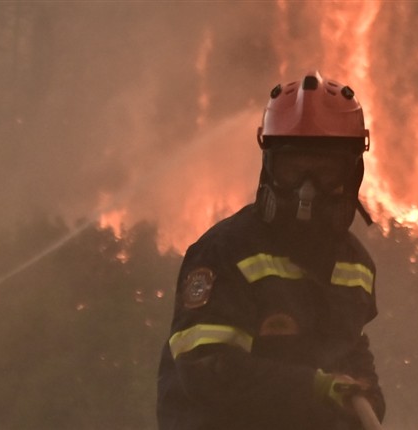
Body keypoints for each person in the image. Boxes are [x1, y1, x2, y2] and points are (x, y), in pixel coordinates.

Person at [157, 71, 385, 430]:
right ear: (269, 166)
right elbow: (205, 368)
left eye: (325, 171)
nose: (306, 190)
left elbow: (350, 350)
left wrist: (367, 392)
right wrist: (312, 387)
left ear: (352, 172)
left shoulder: (355, 265)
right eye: (294, 169)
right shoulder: (224, 253)